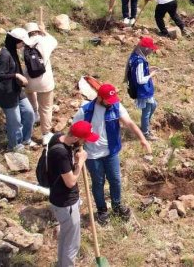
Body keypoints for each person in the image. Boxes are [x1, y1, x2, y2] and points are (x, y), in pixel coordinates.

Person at [73, 82, 152, 224]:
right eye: (108, 100)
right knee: (98, 183)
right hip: (92, 155)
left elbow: (129, 123)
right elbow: (74, 131)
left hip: (111, 152)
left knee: (115, 180)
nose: (111, 103)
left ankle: (116, 206)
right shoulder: (85, 111)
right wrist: (75, 150)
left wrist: (142, 139)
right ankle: (102, 211)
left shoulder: (116, 107)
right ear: (100, 98)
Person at [45, 120, 98, 267]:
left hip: (59, 199)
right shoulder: (60, 153)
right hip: (66, 203)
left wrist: (75, 156)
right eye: (84, 139)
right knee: (72, 243)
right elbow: (70, 182)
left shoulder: (58, 138)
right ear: (75, 138)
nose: (85, 142)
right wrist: (80, 163)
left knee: (65, 236)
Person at [0, 28, 35, 151]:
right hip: (6, 93)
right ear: (15, 41)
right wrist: (16, 75)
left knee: (29, 113)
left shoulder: (12, 51)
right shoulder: (4, 55)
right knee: (15, 121)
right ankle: (14, 146)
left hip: (16, 90)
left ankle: (26, 139)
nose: (23, 45)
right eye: (22, 42)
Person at [24, 20, 58, 138]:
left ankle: (34, 113)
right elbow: (54, 41)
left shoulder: (24, 43)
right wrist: (44, 31)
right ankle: (46, 134)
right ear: (37, 31)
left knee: (30, 94)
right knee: (46, 108)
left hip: (28, 79)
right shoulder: (45, 41)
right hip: (44, 80)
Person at [126, 36, 159, 140]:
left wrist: (148, 69)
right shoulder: (139, 61)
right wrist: (151, 74)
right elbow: (140, 80)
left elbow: (137, 72)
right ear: (146, 48)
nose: (152, 51)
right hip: (143, 90)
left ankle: (146, 125)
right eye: (151, 49)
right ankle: (145, 132)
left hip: (144, 90)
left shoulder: (135, 56)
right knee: (147, 111)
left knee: (154, 105)